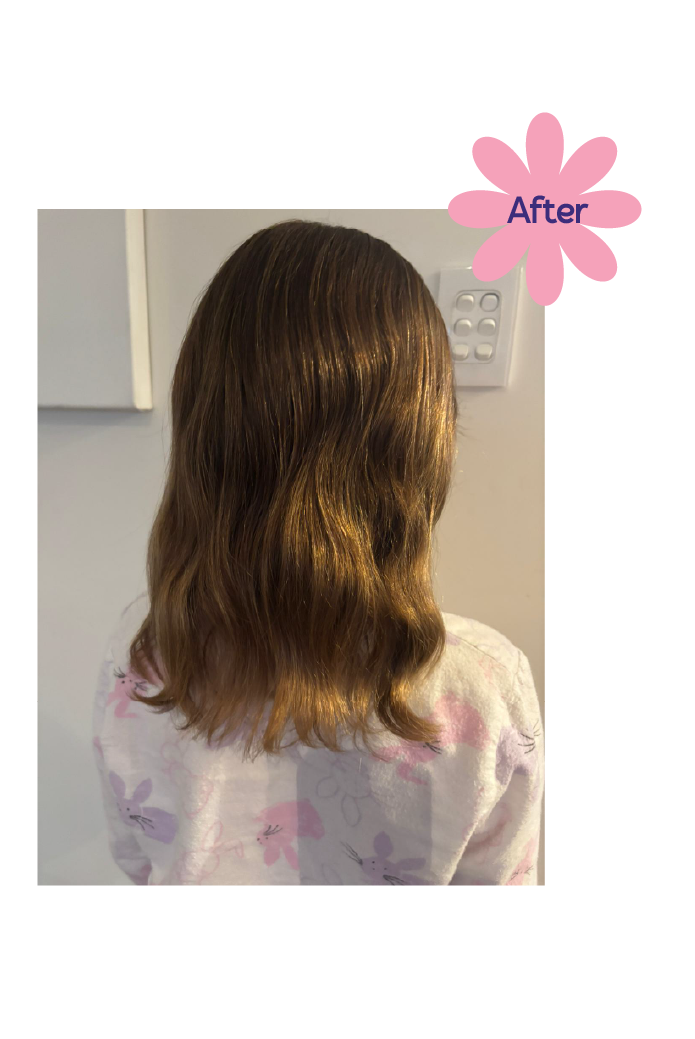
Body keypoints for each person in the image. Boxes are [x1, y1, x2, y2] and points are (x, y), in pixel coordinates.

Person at [94, 221, 543, 887]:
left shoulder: (146, 665)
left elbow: (137, 857)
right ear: (421, 444)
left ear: (206, 435)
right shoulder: (484, 687)